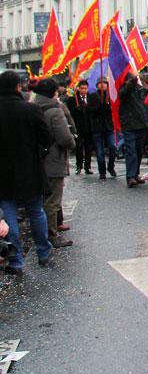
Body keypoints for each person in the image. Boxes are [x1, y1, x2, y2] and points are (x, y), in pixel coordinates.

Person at [0, 70, 53, 274]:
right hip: (30, 170)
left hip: (3, 175)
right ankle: (43, 252)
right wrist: (37, 153)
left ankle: (16, 261)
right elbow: (47, 138)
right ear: (18, 86)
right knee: (36, 211)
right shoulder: (31, 109)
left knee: (9, 215)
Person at [32, 78, 76, 249]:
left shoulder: (33, 107)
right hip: (53, 159)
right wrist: (73, 142)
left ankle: (49, 229)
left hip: (37, 159)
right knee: (52, 200)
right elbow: (64, 137)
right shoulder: (54, 110)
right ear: (54, 92)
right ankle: (52, 235)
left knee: (43, 199)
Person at [119, 72, 148, 188]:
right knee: (131, 151)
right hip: (129, 126)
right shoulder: (124, 91)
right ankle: (130, 176)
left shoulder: (141, 91)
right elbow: (126, 90)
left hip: (142, 125)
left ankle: (136, 174)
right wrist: (132, 81)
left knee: (138, 151)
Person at [87, 77, 117, 179]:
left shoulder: (110, 95)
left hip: (109, 126)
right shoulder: (93, 96)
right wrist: (98, 107)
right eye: (100, 83)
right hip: (97, 126)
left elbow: (114, 109)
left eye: (105, 83)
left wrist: (107, 107)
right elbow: (89, 110)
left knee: (113, 147)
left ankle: (111, 166)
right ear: (97, 85)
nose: (103, 85)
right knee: (99, 152)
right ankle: (102, 171)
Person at [67, 80, 93, 174]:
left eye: (85, 88)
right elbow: (69, 111)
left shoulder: (90, 98)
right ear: (78, 88)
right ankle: (79, 165)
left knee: (88, 148)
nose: (83, 90)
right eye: (81, 88)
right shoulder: (73, 98)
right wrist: (75, 109)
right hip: (78, 127)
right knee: (79, 147)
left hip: (89, 127)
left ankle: (88, 166)